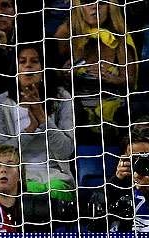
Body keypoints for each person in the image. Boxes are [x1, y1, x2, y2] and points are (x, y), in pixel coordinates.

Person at [0, 44, 76, 229]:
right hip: (17, 178)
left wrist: (42, 117)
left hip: (56, 176)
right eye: (23, 62)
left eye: (34, 61)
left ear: (43, 68)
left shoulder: (62, 97)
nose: (28, 66)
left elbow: (66, 151)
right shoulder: (1, 103)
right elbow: (0, 153)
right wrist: (30, 129)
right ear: (16, 69)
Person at [54, 0, 138, 142]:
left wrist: (112, 79)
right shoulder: (65, 33)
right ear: (79, 7)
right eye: (88, 2)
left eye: (102, 3)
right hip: (74, 113)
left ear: (111, 8)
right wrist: (65, 74)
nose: (95, 7)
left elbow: (130, 80)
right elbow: (53, 74)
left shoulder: (119, 36)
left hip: (114, 113)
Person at [101, 119, 149, 231]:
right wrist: (116, 180)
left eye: (147, 157)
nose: (142, 163)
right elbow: (96, 220)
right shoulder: (121, 182)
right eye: (136, 158)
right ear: (125, 157)